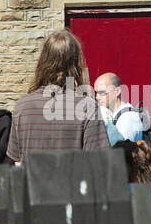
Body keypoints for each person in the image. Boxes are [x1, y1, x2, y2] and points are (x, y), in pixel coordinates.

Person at [7, 30, 108, 165]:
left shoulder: (22, 106)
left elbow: (18, 162)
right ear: (76, 64)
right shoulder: (87, 107)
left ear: (43, 62)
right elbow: (98, 163)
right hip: (73, 185)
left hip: (32, 185)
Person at [93, 73, 145, 143]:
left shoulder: (126, 119)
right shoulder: (119, 115)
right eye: (96, 93)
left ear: (117, 92)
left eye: (102, 93)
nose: (97, 97)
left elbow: (124, 151)